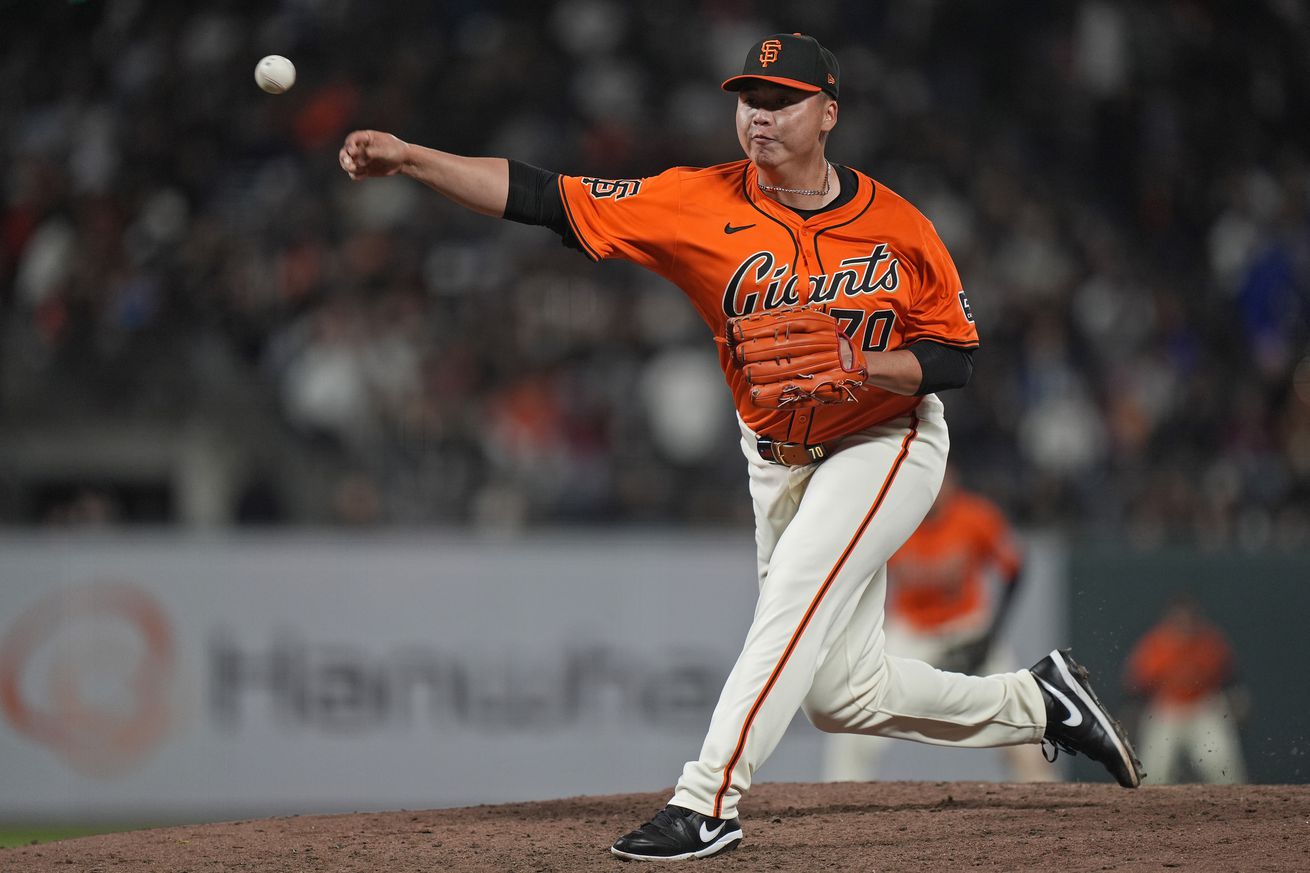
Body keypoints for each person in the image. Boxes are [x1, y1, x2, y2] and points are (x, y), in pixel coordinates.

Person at [338, 32, 1142, 861]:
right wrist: (412, 158)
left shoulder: (900, 226)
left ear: (827, 113)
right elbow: (545, 195)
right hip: (774, 459)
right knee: (840, 694)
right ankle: (1042, 703)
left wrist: (857, 360)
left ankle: (707, 800)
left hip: (884, 438)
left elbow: (957, 358)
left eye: (780, 100)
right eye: (748, 100)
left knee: (791, 596)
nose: (758, 116)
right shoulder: (692, 201)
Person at [820, 466, 1052, 783]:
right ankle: (839, 791)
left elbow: (1015, 569)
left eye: (942, 480)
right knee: (858, 707)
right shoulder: (892, 518)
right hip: (913, 632)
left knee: (1018, 711)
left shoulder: (974, 516)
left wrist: (991, 635)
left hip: (967, 627)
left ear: (952, 482)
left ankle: (1047, 793)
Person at [1124, 596, 1248, 784]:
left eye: (1188, 619)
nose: (1184, 625)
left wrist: (1237, 701)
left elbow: (1230, 679)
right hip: (1168, 707)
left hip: (1203, 707)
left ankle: (1238, 806)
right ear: (1169, 620)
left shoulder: (1208, 642)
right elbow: (1136, 688)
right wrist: (1132, 715)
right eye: (1178, 619)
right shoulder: (1156, 645)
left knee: (1222, 767)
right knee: (1154, 771)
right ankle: (1147, 809)